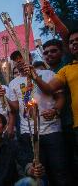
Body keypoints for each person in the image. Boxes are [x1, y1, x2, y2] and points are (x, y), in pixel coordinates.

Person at [9, 50, 71, 185]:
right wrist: (2, 96)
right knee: (37, 174)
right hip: (29, 133)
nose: (19, 60)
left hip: (51, 131)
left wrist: (55, 111)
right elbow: (14, 109)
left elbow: (60, 97)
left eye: (21, 57)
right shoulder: (13, 83)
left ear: (30, 57)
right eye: (16, 59)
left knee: (59, 171)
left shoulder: (47, 74)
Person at [23, 30, 78, 182]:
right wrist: (30, 85)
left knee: (63, 168)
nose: (49, 55)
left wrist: (56, 110)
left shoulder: (62, 67)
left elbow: (55, 94)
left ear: (63, 52)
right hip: (67, 125)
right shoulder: (63, 71)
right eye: (46, 52)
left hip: (58, 126)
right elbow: (29, 99)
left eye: (54, 51)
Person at [0, 112, 45, 186]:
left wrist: (32, 170)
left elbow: (24, 161)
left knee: (36, 182)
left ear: (4, 127)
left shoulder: (12, 145)